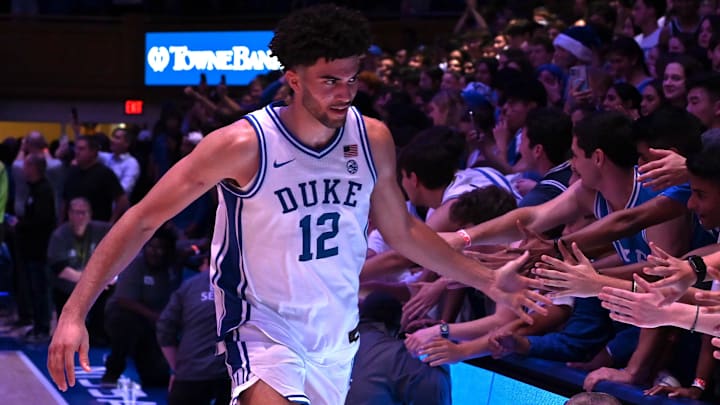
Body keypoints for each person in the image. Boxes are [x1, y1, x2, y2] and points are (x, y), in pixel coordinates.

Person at [47, 5, 547, 405]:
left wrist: (484, 279)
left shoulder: (372, 138)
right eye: (330, 80)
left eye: (352, 79)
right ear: (294, 78)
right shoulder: (243, 144)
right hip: (261, 325)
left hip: (335, 334)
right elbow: (142, 218)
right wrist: (75, 312)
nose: (344, 93)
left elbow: (404, 233)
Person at [156, 265, 231, 405]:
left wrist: (177, 368)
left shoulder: (190, 285)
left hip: (191, 372)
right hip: (233, 377)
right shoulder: (251, 286)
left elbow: (164, 328)